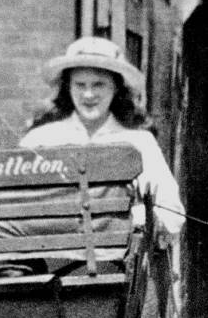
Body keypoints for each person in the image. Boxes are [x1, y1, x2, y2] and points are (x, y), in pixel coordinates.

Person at [20, 37, 184, 237]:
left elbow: (172, 213)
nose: (88, 95)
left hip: (119, 261)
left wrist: (136, 218)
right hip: (51, 260)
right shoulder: (40, 140)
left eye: (98, 85)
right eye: (80, 85)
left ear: (115, 88)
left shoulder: (139, 142)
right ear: (68, 87)